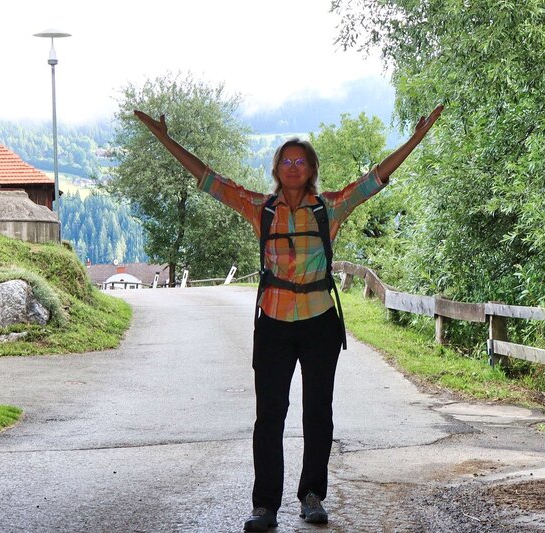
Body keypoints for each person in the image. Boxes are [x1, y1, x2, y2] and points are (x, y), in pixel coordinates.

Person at [135, 103, 443, 532]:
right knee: (269, 416)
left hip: (319, 322)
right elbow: (209, 179)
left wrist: (415, 138)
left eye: (300, 161)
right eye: (286, 161)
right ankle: (265, 506)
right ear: (277, 169)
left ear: (311, 169)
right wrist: (165, 138)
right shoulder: (260, 208)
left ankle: (312, 496)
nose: (293, 167)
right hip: (274, 325)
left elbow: (375, 179)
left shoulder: (328, 208)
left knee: (318, 413)